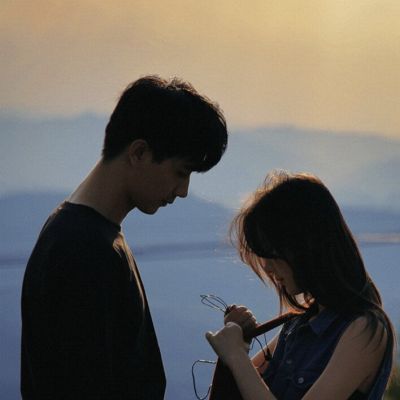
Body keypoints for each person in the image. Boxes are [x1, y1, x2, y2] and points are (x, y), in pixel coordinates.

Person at [21, 75, 228, 399]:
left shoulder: (82, 234)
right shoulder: (84, 249)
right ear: (139, 152)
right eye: (181, 172)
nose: (183, 191)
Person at [206, 171, 395, 400]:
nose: (267, 267)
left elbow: (243, 372)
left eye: (271, 253)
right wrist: (240, 343)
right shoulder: (297, 325)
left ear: (305, 246)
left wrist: (236, 356)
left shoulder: (365, 330)